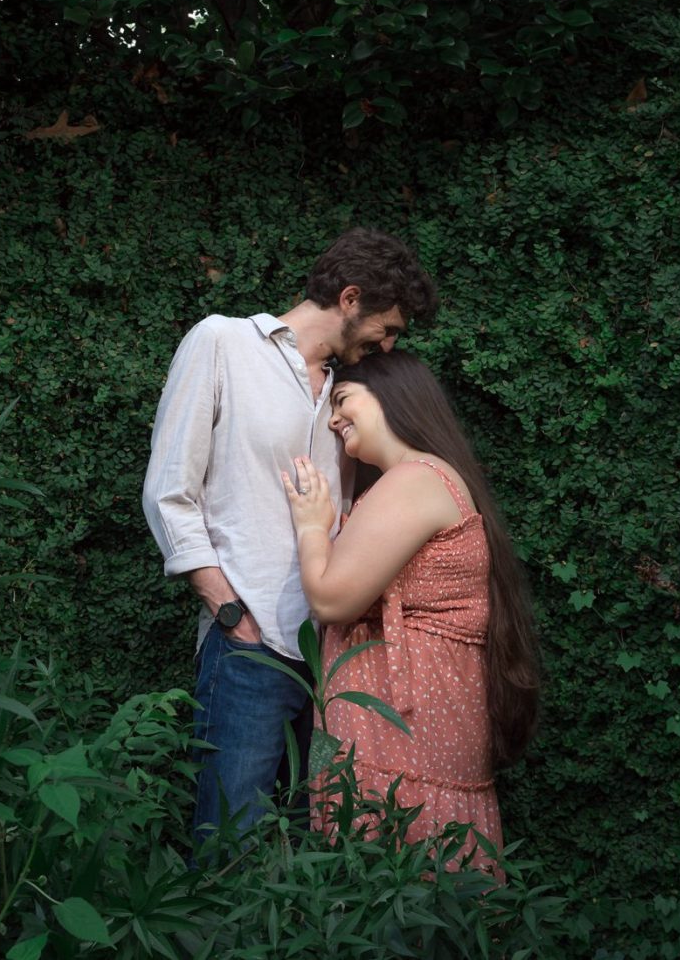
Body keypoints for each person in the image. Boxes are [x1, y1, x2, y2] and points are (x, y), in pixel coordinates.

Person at [142, 229, 437, 846]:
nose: (389, 344)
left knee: (318, 840)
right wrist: (227, 610)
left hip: (334, 653)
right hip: (249, 644)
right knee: (230, 840)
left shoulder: (351, 389)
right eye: (388, 328)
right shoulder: (222, 342)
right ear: (350, 298)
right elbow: (170, 491)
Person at [281, 349, 540, 869]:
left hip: (406, 724)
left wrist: (312, 527)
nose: (333, 419)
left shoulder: (416, 478)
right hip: (422, 714)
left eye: (344, 400)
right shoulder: (427, 479)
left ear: (392, 397)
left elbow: (332, 598)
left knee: (399, 873)